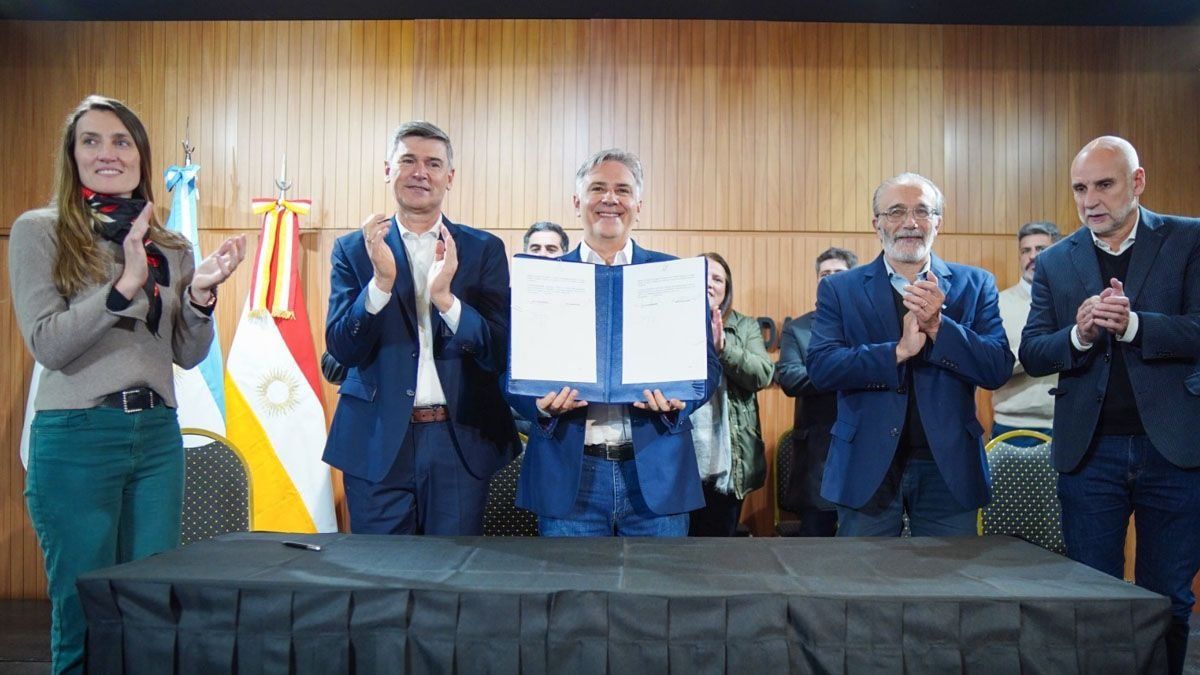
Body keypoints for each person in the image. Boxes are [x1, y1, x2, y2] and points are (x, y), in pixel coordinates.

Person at [8, 94, 245, 674]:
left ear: (141, 155)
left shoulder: (172, 246)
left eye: (121, 141)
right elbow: (49, 344)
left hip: (158, 437)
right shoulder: (40, 231)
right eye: (91, 140)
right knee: (84, 605)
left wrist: (200, 296)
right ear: (73, 155)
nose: (107, 153)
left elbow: (188, 355)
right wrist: (121, 289)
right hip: (77, 434)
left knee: (150, 603)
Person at [1019, 136, 1200, 674]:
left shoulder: (1189, 240)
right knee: (1090, 596)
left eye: (1104, 184)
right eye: (1080, 188)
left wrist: (1136, 325)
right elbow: (1033, 350)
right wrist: (1076, 334)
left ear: (1137, 182)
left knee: (1167, 594)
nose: (1090, 199)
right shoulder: (1055, 261)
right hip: (1089, 452)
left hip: (1173, 449)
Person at [508, 148, 721, 536]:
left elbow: (708, 368)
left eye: (622, 190)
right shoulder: (542, 280)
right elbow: (509, 370)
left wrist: (682, 400)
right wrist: (536, 405)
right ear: (577, 202)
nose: (610, 199)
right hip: (570, 477)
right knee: (572, 596)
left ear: (638, 204)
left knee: (657, 597)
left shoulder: (673, 276)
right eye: (597, 188)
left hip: (656, 475)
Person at [323, 120, 520, 536]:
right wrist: (379, 284)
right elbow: (342, 349)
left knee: (452, 582)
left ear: (449, 177)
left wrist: (446, 299)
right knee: (380, 580)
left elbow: (498, 351)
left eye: (433, 163)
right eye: (408, 160)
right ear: (387, 170)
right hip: (376, 440)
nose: (420, 172)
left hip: (458, 438)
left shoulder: (483, 249)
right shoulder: (354, 249)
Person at [807, 172, 1013, 537]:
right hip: (865, 464)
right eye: (895, 212)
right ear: (877, 224)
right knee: (864, 588)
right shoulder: (840, 289)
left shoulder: (975, 284)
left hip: (947, 466)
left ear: (938, 222)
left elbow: (997, 367)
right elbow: (822, 368)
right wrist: (897, 352)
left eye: (922, 211)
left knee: (945, 590)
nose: (909, 223)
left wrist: (939, 328)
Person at [687, 252, 774, 536]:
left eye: (717, 279)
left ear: (727, 288)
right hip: (681, 459)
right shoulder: (672, 323)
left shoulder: (745, 325)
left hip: (729, 461)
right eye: (702, 275)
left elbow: (762, 374)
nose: (709, 284)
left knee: (719, 552)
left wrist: (724, 348)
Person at [776, 246, 858, 536]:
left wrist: (829, 371)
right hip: (816, 461)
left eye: (839, 273)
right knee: (814, 559)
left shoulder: (870, 325)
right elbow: (790, 378)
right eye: (825, 274)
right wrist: (850, 368)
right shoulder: (797, 329)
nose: (831, 279)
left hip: (865, 457)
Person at [991, 221, 1060, 445]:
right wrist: (1039, 348)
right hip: (1012, 427)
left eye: (1041, 249)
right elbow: (991, 366)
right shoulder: (997, 304)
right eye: (1026, 250)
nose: (1033, 256)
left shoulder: (1074, 302)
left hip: (1067, 425)